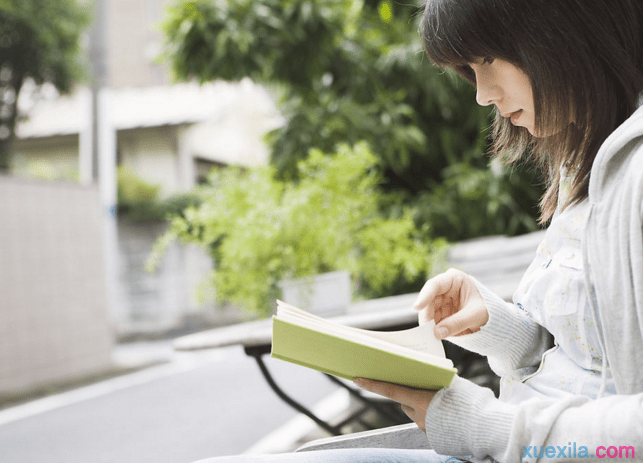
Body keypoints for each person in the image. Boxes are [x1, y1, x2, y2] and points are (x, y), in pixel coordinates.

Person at [199, 0, 643, 461]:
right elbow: (586, 358)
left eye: (488, 58)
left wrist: (488, 426)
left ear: (566, 31)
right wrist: (498, 326)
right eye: (470, 69)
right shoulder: (589, 163)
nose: (483, 93)